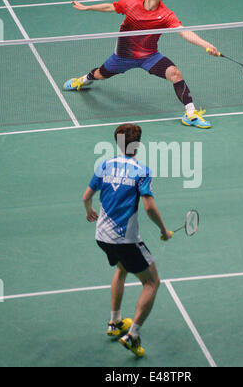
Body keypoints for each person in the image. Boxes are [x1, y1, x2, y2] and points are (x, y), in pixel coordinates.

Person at [64, 0, 220, 129]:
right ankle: (83, 80)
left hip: (149, 57)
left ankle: (191, 114)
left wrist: (205, 44)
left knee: (175, 74)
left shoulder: (165, 15)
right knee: (100, 75)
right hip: (123, 56)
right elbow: (111, 6)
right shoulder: (131, 2)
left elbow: (184, 32)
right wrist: (87, 8)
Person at [83, 123, 172, 357]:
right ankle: (132, 336)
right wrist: (164, 230)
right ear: (138, 145)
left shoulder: (104, 164)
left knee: (121, 269)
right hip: (125, 239)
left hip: (102, 237)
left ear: (118, 143)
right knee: (152, 282)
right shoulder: (140, 170)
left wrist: (88, 209)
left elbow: (86, 196)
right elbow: (149, 207)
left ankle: (114, 322)